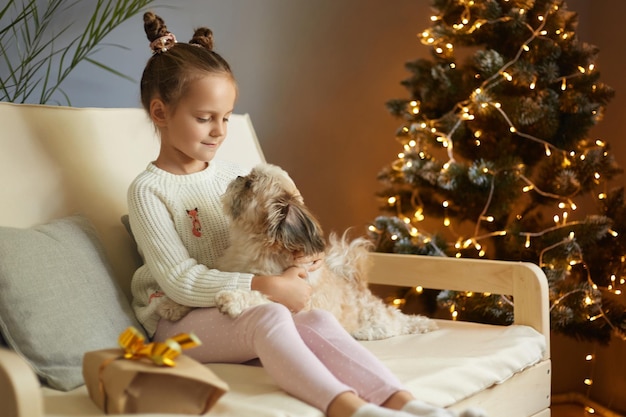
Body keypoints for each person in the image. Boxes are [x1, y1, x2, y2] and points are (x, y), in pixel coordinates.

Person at [128, 11, 484, 417]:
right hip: (177, 326)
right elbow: (179, 281)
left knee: (316, 321)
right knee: (269, 317)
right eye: (204, 118)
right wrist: (269, 286)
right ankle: (352, 410)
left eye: (225, 118)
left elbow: (269, 232)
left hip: (236, 304)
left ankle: (411, 406)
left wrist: (304, 258)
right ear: (160, 113)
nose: (220, 131)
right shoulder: (148, 190)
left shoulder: (228, 175)